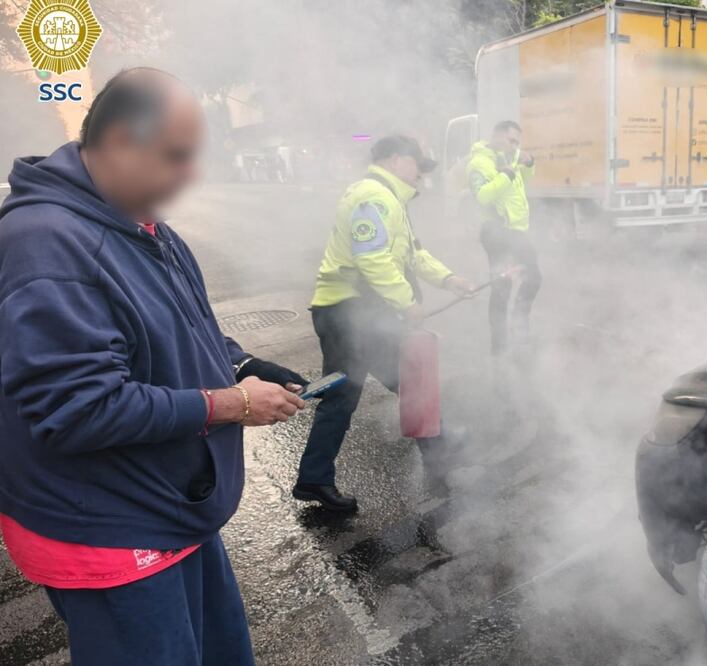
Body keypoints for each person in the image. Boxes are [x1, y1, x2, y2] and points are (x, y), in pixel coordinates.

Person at [0, 68, 308, 665]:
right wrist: (233, 404)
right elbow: (78, 409)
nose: (192, 174)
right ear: (117, 142)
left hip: (166, 505)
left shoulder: (141, 223)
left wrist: (240, 361)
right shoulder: (47, 242)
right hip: (108, 529)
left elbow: (183, 322)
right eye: (177, 156)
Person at [296, 135, 473, 511]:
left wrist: (448, 279)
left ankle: (438, 447)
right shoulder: (374, 196)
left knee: (404, 382)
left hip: (359, 313)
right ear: (395, 160)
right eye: (417, 164)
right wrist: (407, 304)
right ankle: (314, 477)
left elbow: (414, 255)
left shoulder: (390, 198)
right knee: (358, 394)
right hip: (349, 315)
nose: (421, 174)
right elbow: (372, 258)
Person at [467, 120, 541, 355]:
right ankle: (499, 344)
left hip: (517, 232)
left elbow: (521, 185)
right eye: (511, 140)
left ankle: (520, 325)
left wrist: (527, 166)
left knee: (534, 278)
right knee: (502, 286)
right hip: (495, 231)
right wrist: (507, 174)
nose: (515, 146)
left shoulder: (509, 159)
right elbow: (483, 196)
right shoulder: (479, 162)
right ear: (496, 136)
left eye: (517, 142)